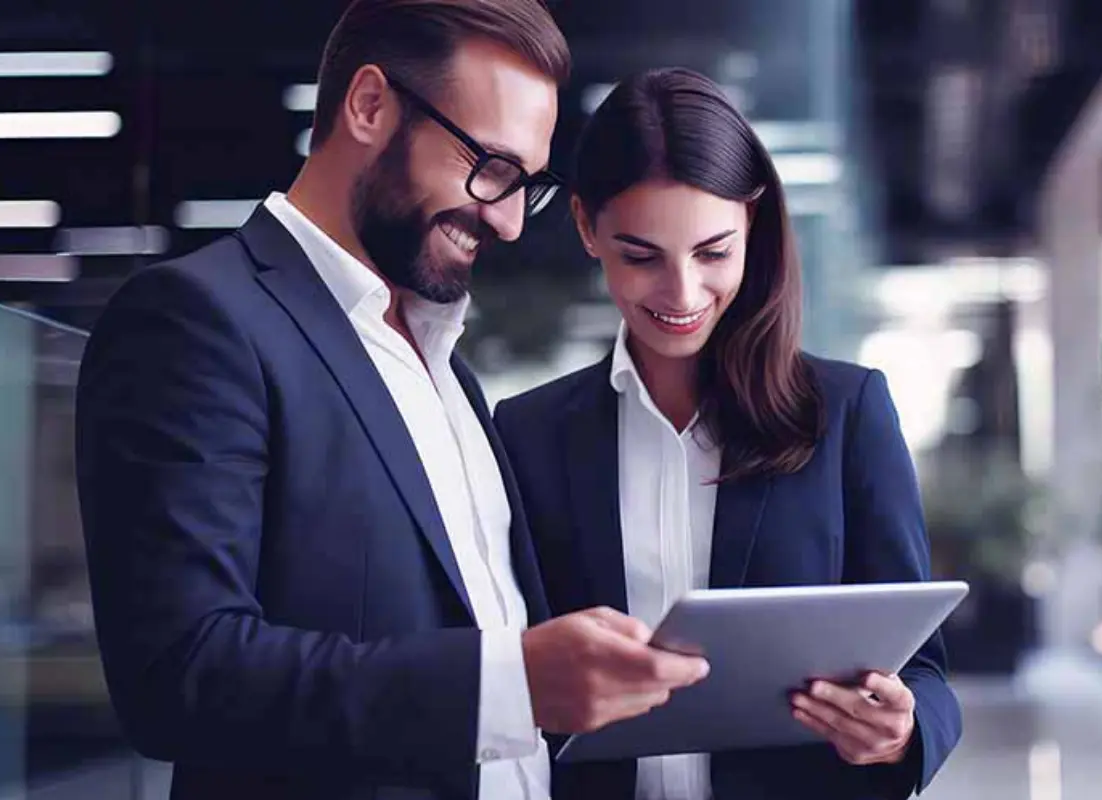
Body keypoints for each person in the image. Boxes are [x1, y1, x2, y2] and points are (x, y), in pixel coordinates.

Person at [73, 4, 709, 800]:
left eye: (528, 186)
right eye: (491, 167)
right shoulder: (196, 323)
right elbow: (182, 675)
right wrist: (512, 683)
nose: (509, 221)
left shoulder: (450, 373)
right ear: (369, 106)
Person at [493, 68, 963, 800]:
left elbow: (924, 674)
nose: (682, 295)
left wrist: (900, 731)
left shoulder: (847, 413)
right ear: (587, 227)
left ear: (753, 223)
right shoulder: (527, 436)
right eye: (641, 256)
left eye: (713, 252)